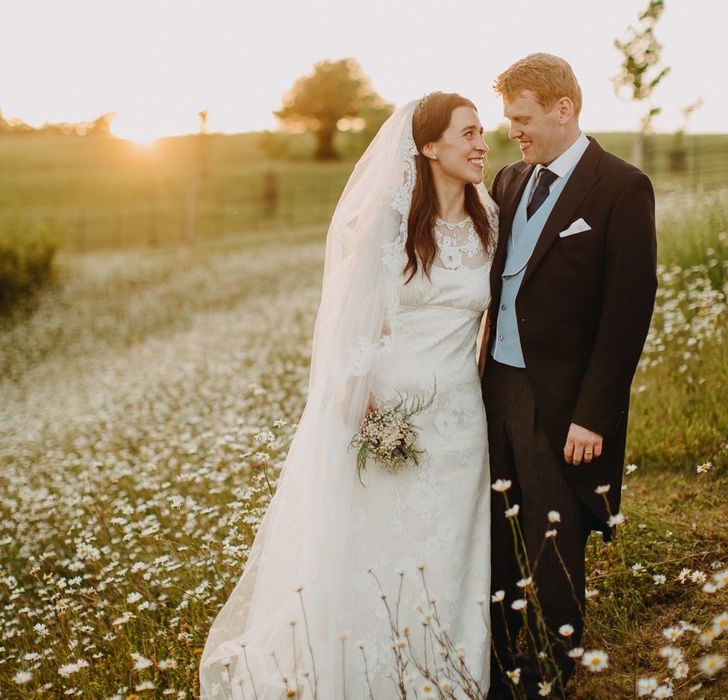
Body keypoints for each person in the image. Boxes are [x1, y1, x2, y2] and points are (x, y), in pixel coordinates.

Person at [200, 93, 498, 698]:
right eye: (466, 134)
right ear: (427, 146)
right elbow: (350, 328)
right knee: (382, 552)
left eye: (481, 132)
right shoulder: (388, 227)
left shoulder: (490, 218)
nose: (480, 145)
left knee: (452, 553)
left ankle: (447, 678)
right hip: (389, 419)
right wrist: (358, 406)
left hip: (461, 423)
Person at [482, 53, 657, 697]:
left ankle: (555, 674)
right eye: (508, 119)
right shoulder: (508, 179)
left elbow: (627, 312)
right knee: (495, 533)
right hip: (493, 385)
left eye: (523, 118)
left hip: (561, 400)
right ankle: (498, 663)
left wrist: (594, 413)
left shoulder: (620, 186)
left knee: (554, 539)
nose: (513, 131)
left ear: (565, 108)